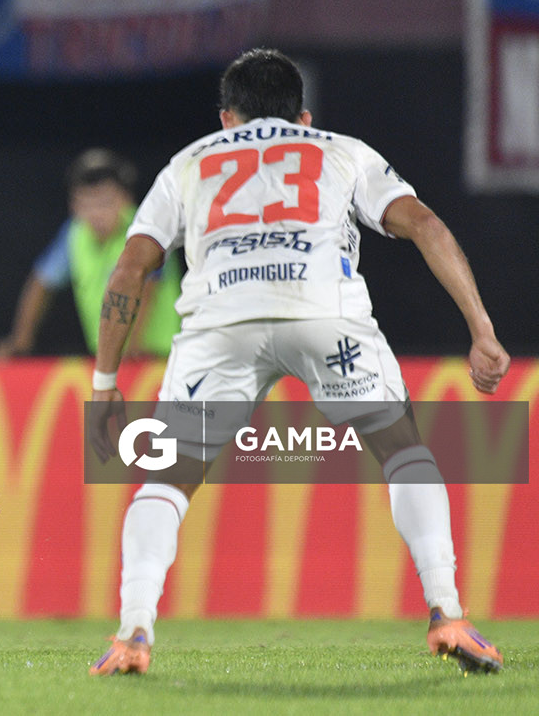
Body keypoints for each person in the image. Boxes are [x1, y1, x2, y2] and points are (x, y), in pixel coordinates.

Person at [86, 48, 508, 675]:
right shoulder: (342, 150)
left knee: (167, 481)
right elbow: (425, 224)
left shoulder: (189, 162)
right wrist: (482, 329)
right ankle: (447, 612)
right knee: (404, 452)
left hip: (221, 324)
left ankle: (133, 634)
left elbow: (131, 268)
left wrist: (105, 382)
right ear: (304, 117)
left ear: (226, 118)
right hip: (324, 312)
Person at [0, 149, 180, 359]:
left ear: (126, 199)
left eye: (105, 202)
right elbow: (40, 283)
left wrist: (132, 347)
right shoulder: (74, 234)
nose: (96, 213)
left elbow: (147, 290)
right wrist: (20, 341)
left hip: (158, 357)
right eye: (86, 204)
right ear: (73, 205)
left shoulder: (146, 230)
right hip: (111, 359)